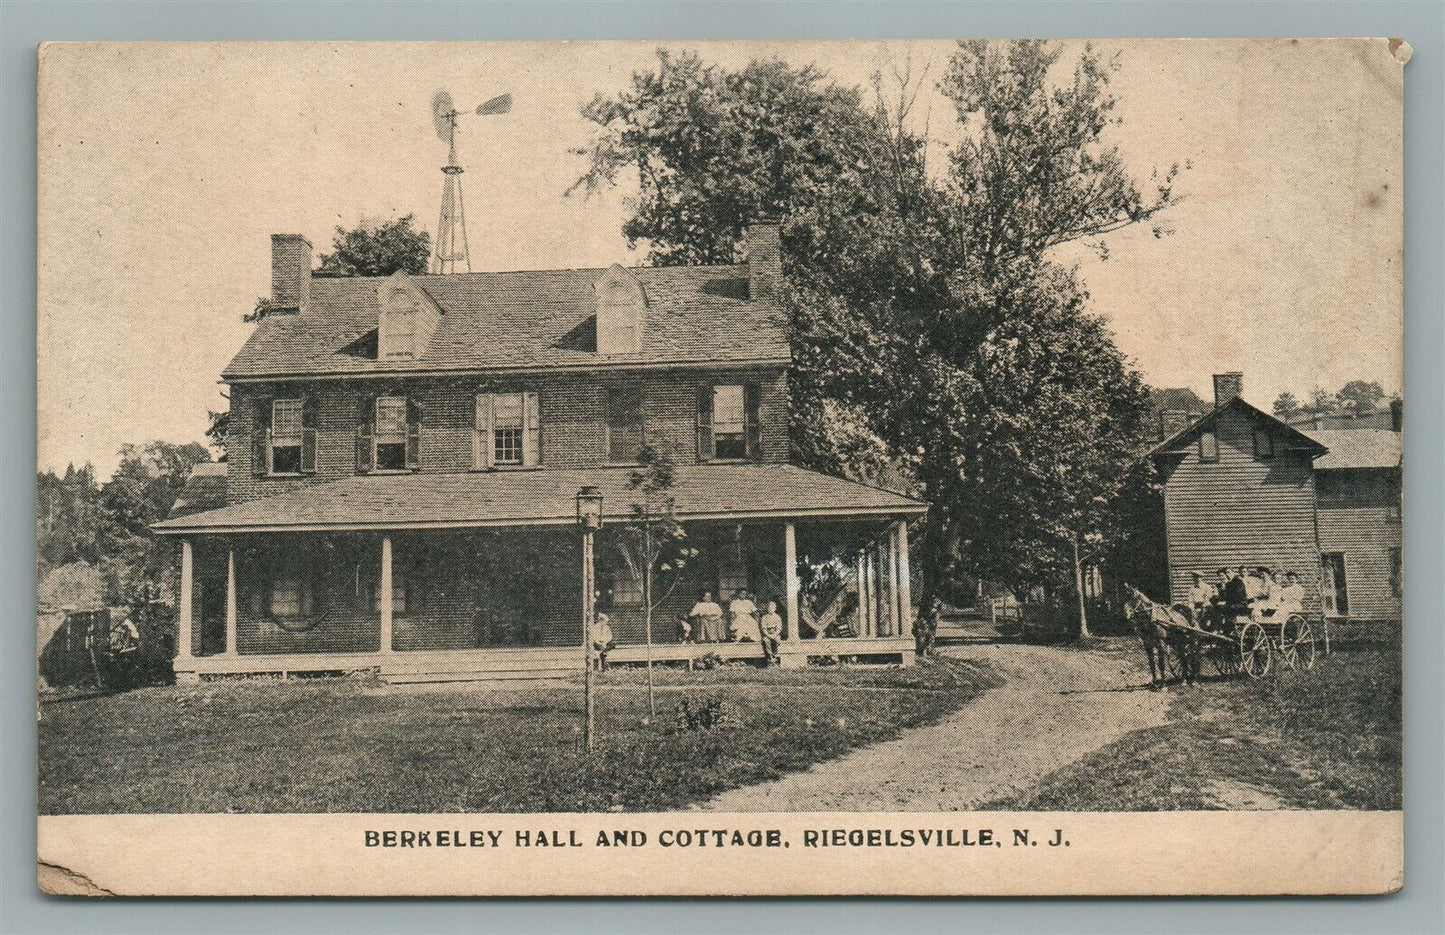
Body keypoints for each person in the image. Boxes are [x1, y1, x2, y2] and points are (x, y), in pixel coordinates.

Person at [759, 600, 783, 665]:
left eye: (772, 608)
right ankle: (770, 656)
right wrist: (768, 635)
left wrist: (774, 635)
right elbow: (763, 628)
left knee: (778, 640)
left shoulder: (777, 617)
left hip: (775, 633)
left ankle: (774, 654)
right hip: (767, 634)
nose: (771, 609)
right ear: (767, 609)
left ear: (775, 609)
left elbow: (779, 628)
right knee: (766, 640)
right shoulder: (764, 617)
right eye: (769, 608)